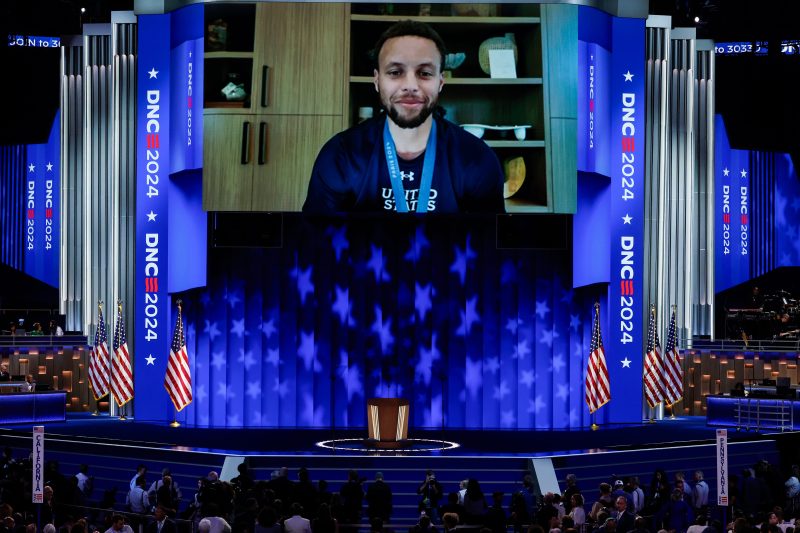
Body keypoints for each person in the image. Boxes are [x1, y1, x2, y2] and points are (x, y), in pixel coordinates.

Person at [303, 20, 504, 214]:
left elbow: (490, 237)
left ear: (440, 82)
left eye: (425, 73)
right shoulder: (341, 155)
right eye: (395, 72)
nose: (410, 86)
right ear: (377, 80)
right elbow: (317, 235)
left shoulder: (477, 158)